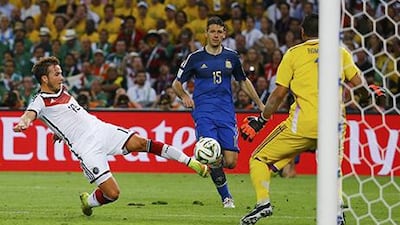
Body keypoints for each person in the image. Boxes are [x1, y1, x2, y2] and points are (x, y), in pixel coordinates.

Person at [13, 56, 209, 217]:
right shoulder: (40, 100)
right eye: (57, 74)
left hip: (101, 129)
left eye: (61, 73)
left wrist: (58, 132)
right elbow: (30, 114)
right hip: (86, 148)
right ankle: (88, 201)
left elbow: (66, 115)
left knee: (142, 142)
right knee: (113, 194)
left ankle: (191, 162)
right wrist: (24, 122)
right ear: (45, 79)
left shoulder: (62, 89)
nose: (62, 77)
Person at [238, 14, 368, 225]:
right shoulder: (340, 52)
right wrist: (370, 92)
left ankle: (263, 203)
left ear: (302, 32)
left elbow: (279, 94)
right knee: (332, 168)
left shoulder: (293, 54)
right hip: (334, 124)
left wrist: (262, 119)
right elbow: (360, 86)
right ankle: (337, 210)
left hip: (302, 125)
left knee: (259, 158)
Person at [172, 16, 265, 209]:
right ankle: (227, 198)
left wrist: (260, 104)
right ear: (206, 33)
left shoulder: (231, 57)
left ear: (224, 34)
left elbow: (243, 81)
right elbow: (176, 84)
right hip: (203, 112)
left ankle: (211, 164)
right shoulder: (195, 58)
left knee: (230, 162)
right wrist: (184, 96)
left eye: (219, 32)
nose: (216, 35)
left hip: (226, 112)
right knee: (212, 155)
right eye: (212, 31)